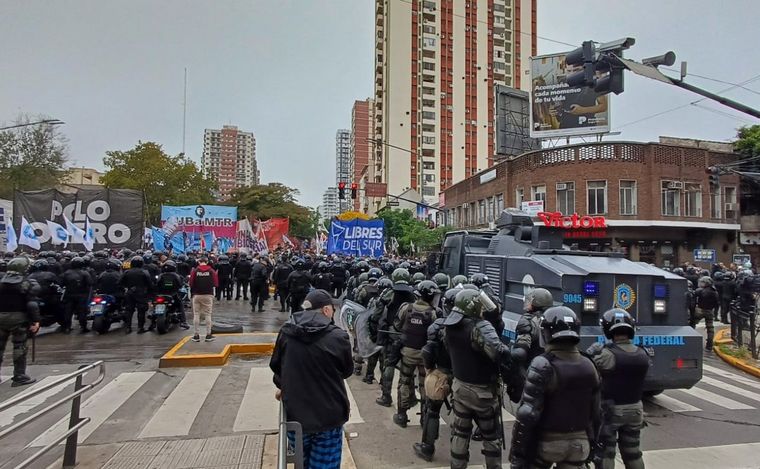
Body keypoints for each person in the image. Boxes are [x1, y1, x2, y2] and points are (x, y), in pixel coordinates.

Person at [269, 289, 353, 469]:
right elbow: (346, 371)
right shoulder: (338, 337)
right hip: (328, 419)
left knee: (301, 463)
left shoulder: (286, 332)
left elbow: (277, 368)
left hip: (296, 417)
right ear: (325, 310)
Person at [510, 306, 601, 469]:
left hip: (548, 443)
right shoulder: (589, 364)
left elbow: (527, 414)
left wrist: (518, 453)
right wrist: (593, 444)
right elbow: (596, 412)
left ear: (546, 333)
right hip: (580, 445)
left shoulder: (543, 364)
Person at [443, 289, 512, 469]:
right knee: (491, 436)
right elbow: (499, 353)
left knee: (459, 433)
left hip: (459, 387)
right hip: (482, 392)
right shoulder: (479, 327)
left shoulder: (450, 325)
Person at [586, 309, 650, 469]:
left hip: (611, 410)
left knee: (606, 453)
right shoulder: (642, 353)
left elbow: (587, 369)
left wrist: (590, 352)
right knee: (633, 453)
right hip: (636, 409)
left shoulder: (607, 355)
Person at [414, 287, 456, 461]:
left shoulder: (438, 326)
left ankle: (427, 447)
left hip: (442, 373)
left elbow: (428, 351)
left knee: (432, 410)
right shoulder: (480, 326)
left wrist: (430, 369)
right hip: (465, 377)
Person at [392, 279, 440, 427]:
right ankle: (424, 418)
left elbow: (397, 325)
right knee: (425, 385)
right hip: (426, 356)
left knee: (404, 382)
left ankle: (401, 414)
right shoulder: (434, 314)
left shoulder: (406, 308)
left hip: (407, 353)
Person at [375, 268, 416, 407]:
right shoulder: (414, 294)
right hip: (409, 335)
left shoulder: (388, 294)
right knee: (408, 368)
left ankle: (386, 396)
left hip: (392, 333)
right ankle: (411, 397)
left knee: (389, 364)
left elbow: (377, 314)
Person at [508, 288, 553, 403]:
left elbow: (520, 354)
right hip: (553, 375)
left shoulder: (528, 322)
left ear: (536, 303)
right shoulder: (553, 320)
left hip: (532, 374)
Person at [0, 257, 41, 386]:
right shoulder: (26, 283)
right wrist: (36, 321)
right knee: (20, 346)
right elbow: (32, 304)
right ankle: (19, 375)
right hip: (19, 319)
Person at [119, 256, 154, 334]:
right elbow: (150, 284)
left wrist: (127, 288)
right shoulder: (144, 272)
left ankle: (128, 328)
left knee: (129, 310)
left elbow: (120, 283)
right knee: (141, 311)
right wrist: (150, 293)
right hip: (141, 293)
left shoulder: (127, 272)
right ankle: (140, 328)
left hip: (130, 293)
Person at [61, 256, 93, 333]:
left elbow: (62, 283)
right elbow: (90, 283)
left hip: (69, 295)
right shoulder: (85, 273)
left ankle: (67, 328)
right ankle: (83, 327)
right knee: (82, 312)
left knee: (68, 312)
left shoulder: (67, 273)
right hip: (82, 295)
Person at [189, 256, 218, 342]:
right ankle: (208, 335)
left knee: (196, 314)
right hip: (208, 295)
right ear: (207, 262)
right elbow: (216, 283)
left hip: (197, 295)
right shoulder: (211, 271)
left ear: (199, 262)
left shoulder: (195, 271)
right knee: (208, 314)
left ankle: (196, 335)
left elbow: (191, 283)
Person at [155, 260, 190, 329]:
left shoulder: (161, 275)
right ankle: (183, 322)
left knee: (154, 305)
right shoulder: (176, 276)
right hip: (173, 294)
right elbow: (180, 285)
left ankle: (152, 322)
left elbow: (157, 284)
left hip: (161, 295)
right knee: (180, 305)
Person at [693, 276, 719, 351]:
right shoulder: (715, 292)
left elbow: (693, 299)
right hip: (709, 311)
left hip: (700, 310)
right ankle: (709, 345)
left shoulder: (700, 291)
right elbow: (717, 304)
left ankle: (690, 340)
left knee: (691, 324)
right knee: (710, 328)